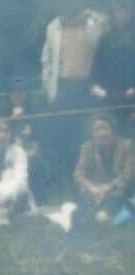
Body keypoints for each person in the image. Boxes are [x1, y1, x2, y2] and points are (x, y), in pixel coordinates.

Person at [42, 6, 108, 192]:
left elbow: (105, 32)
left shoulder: (94, 22)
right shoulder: (53, 27)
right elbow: (46, 61)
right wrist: (50, 91)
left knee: (88, 135)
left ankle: (93, 183)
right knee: (65, 138)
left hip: (87, 87)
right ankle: (68, 184)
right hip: (63, 88)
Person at [73, 113, 135, 228]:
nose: (101, 133)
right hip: (96, 190)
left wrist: (108, 187)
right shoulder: (87, 148)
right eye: (96, 130)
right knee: (82, 209)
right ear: (92, 134)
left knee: (112, 203)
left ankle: (104, 215)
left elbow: (129, 174)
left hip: (120, 189)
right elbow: (79, 173)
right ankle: (90, 216)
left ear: (113, 130)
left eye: (105, 128)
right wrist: (93, 188)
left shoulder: (126, 145)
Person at [91, 1, 135, 131]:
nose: (122, 15)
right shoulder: (106, 39)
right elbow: (97, 66)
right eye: (119, 11)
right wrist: (97, 87)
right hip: (109, 96)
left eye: (126, 11)